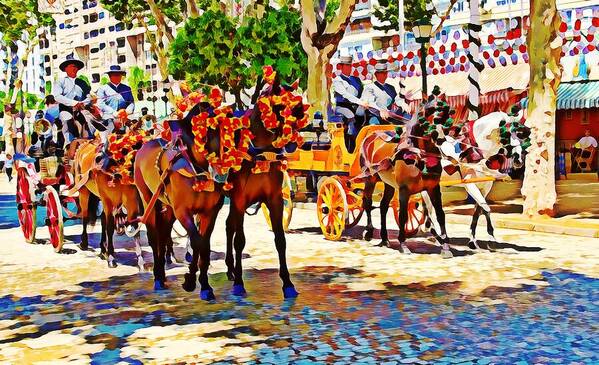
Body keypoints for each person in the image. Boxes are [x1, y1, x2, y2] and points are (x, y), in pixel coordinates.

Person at [95, 65, 135, 168]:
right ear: (110, 76)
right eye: (114, 75)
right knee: (106, 137)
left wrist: (127, 111)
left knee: (136, 132)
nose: (117, 77)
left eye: (119, 75)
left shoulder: (126, 88)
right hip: (109, 117)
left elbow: (131, 102)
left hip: (124, 118)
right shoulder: (103, 89)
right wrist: (114, 113)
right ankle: (102, 159)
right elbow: (100, 104)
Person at [52, 55, 92, 147]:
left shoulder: (82, 82)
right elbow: (57, 97)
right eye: (71, 66)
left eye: (75, 66)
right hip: (66, 109)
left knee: (91, 119)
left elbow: (89, 97)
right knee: (67, 119)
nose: (74, 68)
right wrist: (74, 103)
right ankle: (68, 145)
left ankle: (89, 141)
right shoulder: (60, 81)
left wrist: (84, 102)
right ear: (65, 69)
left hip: (81, 109)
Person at [332, 55, 366, 153]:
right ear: (341, 67)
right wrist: (360, 102)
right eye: (346, 66)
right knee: (350, 117)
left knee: (364, 115)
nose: (348, 68)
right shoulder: (338, 80)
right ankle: (350, 146)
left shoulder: (356, 80)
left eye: (350, 66)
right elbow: (345, 95)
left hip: (356, 105)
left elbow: (362, 93)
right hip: (342, 106)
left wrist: (363, 103)